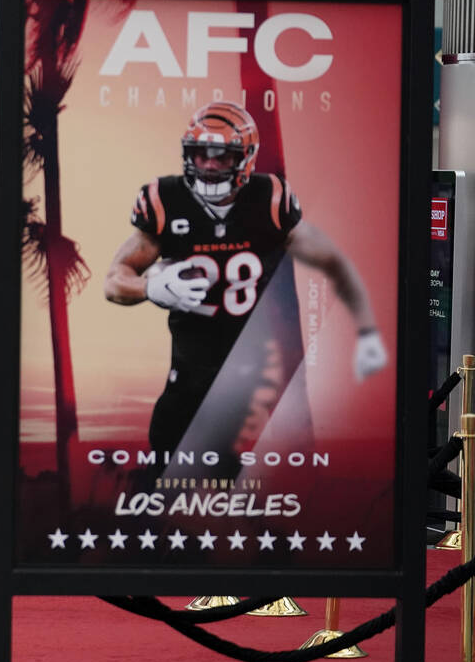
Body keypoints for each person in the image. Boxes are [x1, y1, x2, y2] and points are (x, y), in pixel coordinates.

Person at [104, 100, 388, 474]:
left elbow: (333, 262)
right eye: (199, 154)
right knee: (164, 477)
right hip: (190, 372)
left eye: (221, 156)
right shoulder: (165, 201)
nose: (207, 164)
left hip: (257, 377)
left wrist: (367, 332)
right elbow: (115, 280)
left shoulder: (269, 201)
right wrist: (149, 289)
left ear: (245, 157)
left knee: (254, 491)